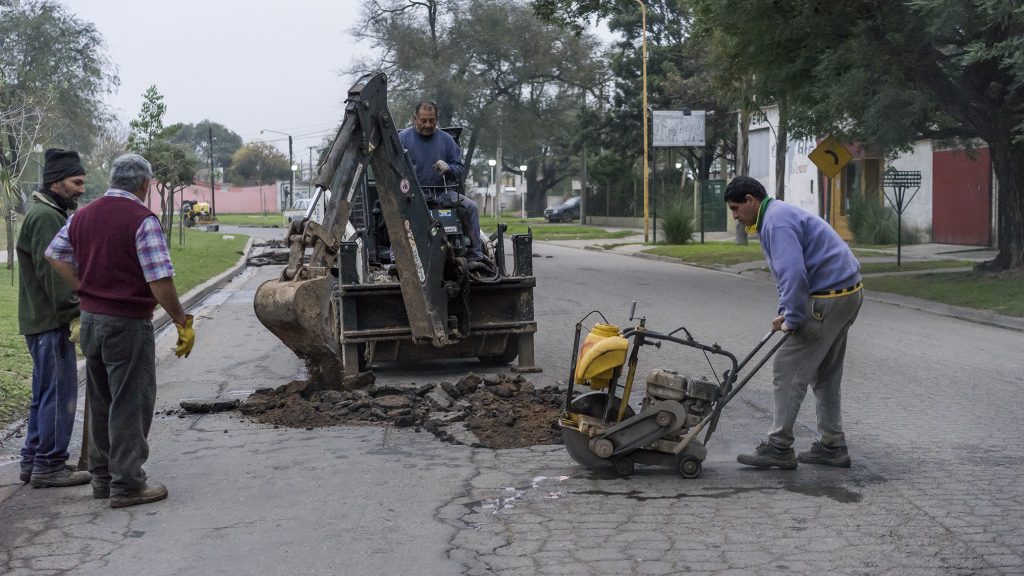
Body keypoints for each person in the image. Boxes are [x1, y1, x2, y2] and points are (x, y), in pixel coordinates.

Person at [46, 153, 196, 508]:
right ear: (145, 185)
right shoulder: (141, 219)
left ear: (113, 180)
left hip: (92, 321)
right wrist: (180, 320)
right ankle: (127, 484)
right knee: (130, 402)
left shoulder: (83, 216)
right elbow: (158, 277)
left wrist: (84, 285)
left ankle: (102, 478)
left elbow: (54, 254)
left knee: (101, 401)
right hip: (126, 324)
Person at [724, 175, 863, 470]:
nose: (735, 216)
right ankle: (832, 445)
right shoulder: (775, 215)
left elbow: (794, 274)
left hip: (828, 299)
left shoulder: (777, 222)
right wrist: (786, 310)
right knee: (824, 374)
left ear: (751, 199)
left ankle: (779, 447)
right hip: (846, 294)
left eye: (736, 208)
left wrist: (795, 317)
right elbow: (789, 275)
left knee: (787, 369)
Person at [16, 149, 91, 489]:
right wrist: (76, 311)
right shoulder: (46, 217)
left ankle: (34, 460)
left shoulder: (45, 212)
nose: (81, 189)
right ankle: (49, 464)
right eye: (76, 182)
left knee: (44, 393)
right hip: (50, 321)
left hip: (40, 321)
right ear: (56, 182)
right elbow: (55, 273)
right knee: (59, 394)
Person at [398, 101, 485, 261]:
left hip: (442, 193)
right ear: (414, 119)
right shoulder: (402, 139)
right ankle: (396, 257)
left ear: (436, 119)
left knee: (471, 207)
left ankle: (475, 255)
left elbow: (459, 168)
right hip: (413, 194)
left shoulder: (446, 140)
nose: (428, 124)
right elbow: (391, 167)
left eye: (432, 120)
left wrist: (449, 168)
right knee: (396, 211)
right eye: (423, 121)